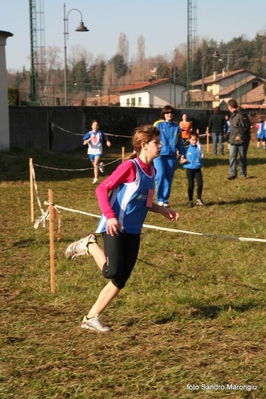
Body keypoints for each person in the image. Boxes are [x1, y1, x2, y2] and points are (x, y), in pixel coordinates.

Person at [66, 125, 180, 333]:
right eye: (157, 142)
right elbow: (101, 189)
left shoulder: (152, 170)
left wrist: (162, 210)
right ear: (144, 145)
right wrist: (109, 217)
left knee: (121, 279)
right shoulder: (130, 167)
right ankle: (89, 244)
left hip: (134, 230)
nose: (161, 145)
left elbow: (145, 202)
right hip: (114, 227)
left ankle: (90, 318)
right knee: (113, 271)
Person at [153, 105, 186, 207]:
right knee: (160, 175)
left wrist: (182, 154)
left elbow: (180, 142)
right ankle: (159, 199)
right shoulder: (158, 124)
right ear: (163, 114)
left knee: (169, 177)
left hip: (171, 155)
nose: (169, 114)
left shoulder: (176, 126)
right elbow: (152, 138)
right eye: (167, 113)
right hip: (159, 155)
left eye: (171, 113)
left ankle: (165, 200)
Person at [227, 99, 251, 180]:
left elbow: (246, 126)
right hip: (233, 140)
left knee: (242, 157)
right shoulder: (233, 115)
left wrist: (240, 135)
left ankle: (243, 173)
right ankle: (233, 173)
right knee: (232, 156)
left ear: (230, 106)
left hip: (242, 140)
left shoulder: (241, 114)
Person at [83, 120, 112, 184]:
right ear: (91, 126)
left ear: (98, 126)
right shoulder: (89, 134)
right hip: (91, 151)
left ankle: (96, 179)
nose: (95, 126)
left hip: (98, 150)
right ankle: (100, 165)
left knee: (95, 164)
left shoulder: (100, 133)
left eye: (97, 125)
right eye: (94, 125)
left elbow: (105, 136)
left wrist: (107, 141)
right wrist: (90, 138)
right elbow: (84, 143)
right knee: (95, 165)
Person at [183, 132, 204, 207]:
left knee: (200, 183)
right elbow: (181, 158)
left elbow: (201, 155)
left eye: (195, 140)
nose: (194, 141)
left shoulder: (199, 148)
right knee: (191, 185)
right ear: (189, 140)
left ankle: (199, 199)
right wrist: (182, 160)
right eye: (192, 140)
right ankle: (190, 200)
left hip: (197, 168)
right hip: (189, 169)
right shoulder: (186, 149)